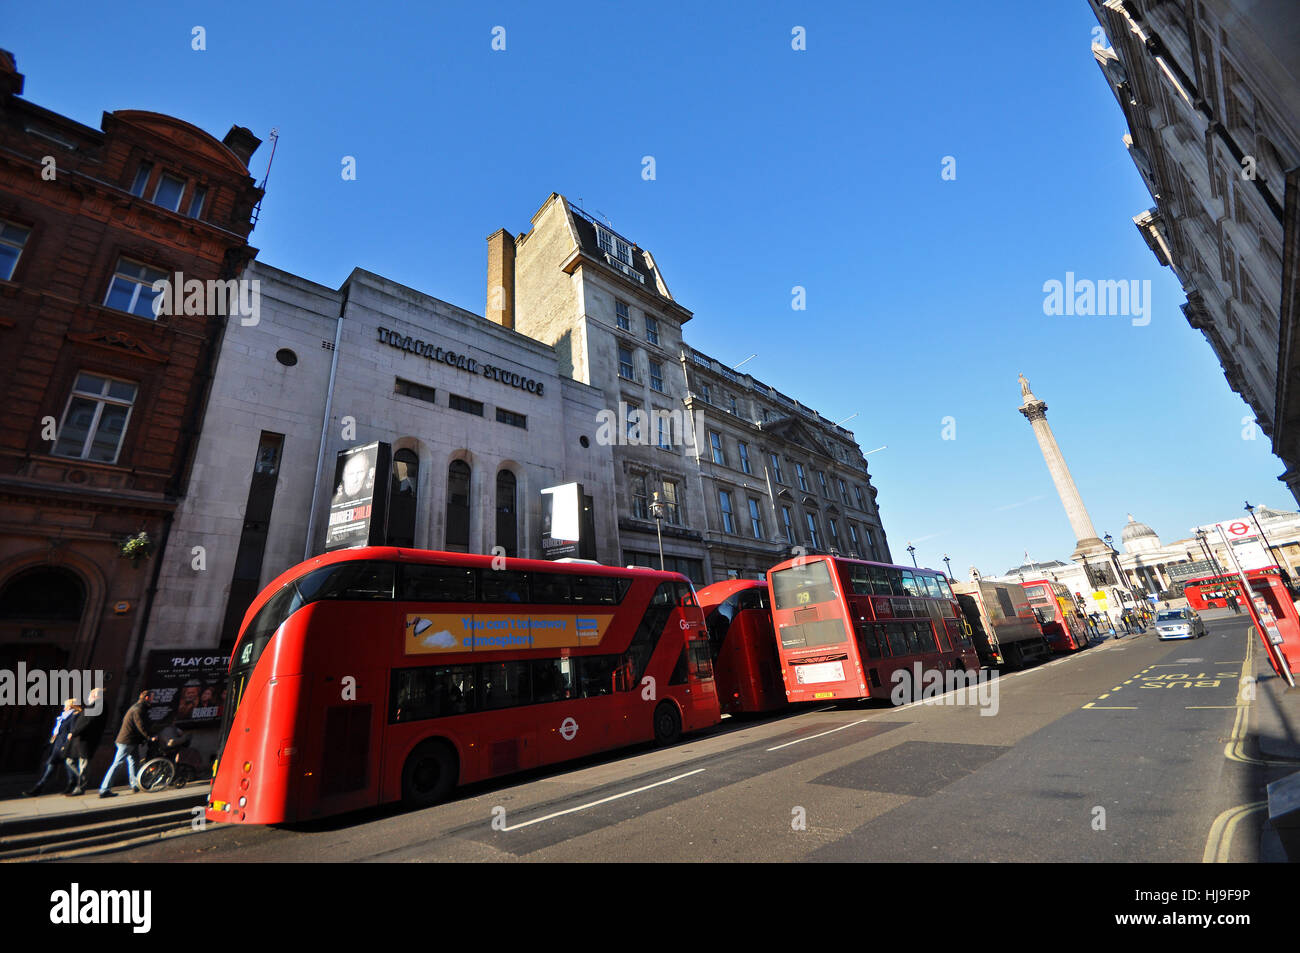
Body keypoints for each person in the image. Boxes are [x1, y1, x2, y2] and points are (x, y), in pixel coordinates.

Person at [98, 690, 154, 798]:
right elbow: (140, 726)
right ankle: (104, 789)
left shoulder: (137, 707)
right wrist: (149, 737)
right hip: (127, 741)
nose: (153, 699)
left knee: (134, 761)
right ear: (147, 698)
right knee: (117, 763)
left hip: (130, 741)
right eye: (152, 697)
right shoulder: (138, 709)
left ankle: (135, 785)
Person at [22, 699, 79, 796]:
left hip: (63, 745)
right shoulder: (63, 716)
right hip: (57, 744)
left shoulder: (73, 716)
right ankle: (72, 784)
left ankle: (39, 787)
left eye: (65, 705)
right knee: (62, 765)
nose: (64, 707)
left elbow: (71, 732)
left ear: (70, 706)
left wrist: (66, 745)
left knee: (63, 765)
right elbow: (57, 731)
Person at [64, 687, 106, 796]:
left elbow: (88, 722)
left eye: (90, 695)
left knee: (83, 764)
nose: (88, 698)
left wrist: (73, 733)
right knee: (70, 761)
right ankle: (82, 781)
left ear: (95, 696)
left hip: (86, 740)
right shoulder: (93, 706)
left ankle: (80, 787)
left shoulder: (98, 706)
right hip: (79, 740)